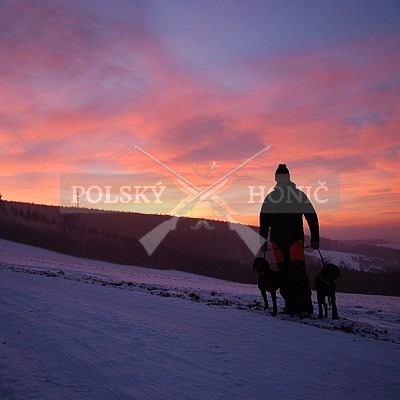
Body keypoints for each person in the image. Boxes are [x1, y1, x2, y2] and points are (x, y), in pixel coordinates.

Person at [260, 164, 319, 317]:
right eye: (279, 177)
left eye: (283, 176)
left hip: (295, 241)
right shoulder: (271, 198)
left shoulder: (297, 195)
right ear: (276, 179)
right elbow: (264, 221)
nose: (281, 179)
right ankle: (291, 306)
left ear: (288, 178)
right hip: (277, 242)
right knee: (284, 275)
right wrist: (263, 241)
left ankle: (305, 307)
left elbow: (311, 217)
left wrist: (315, 238)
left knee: (298, 274)